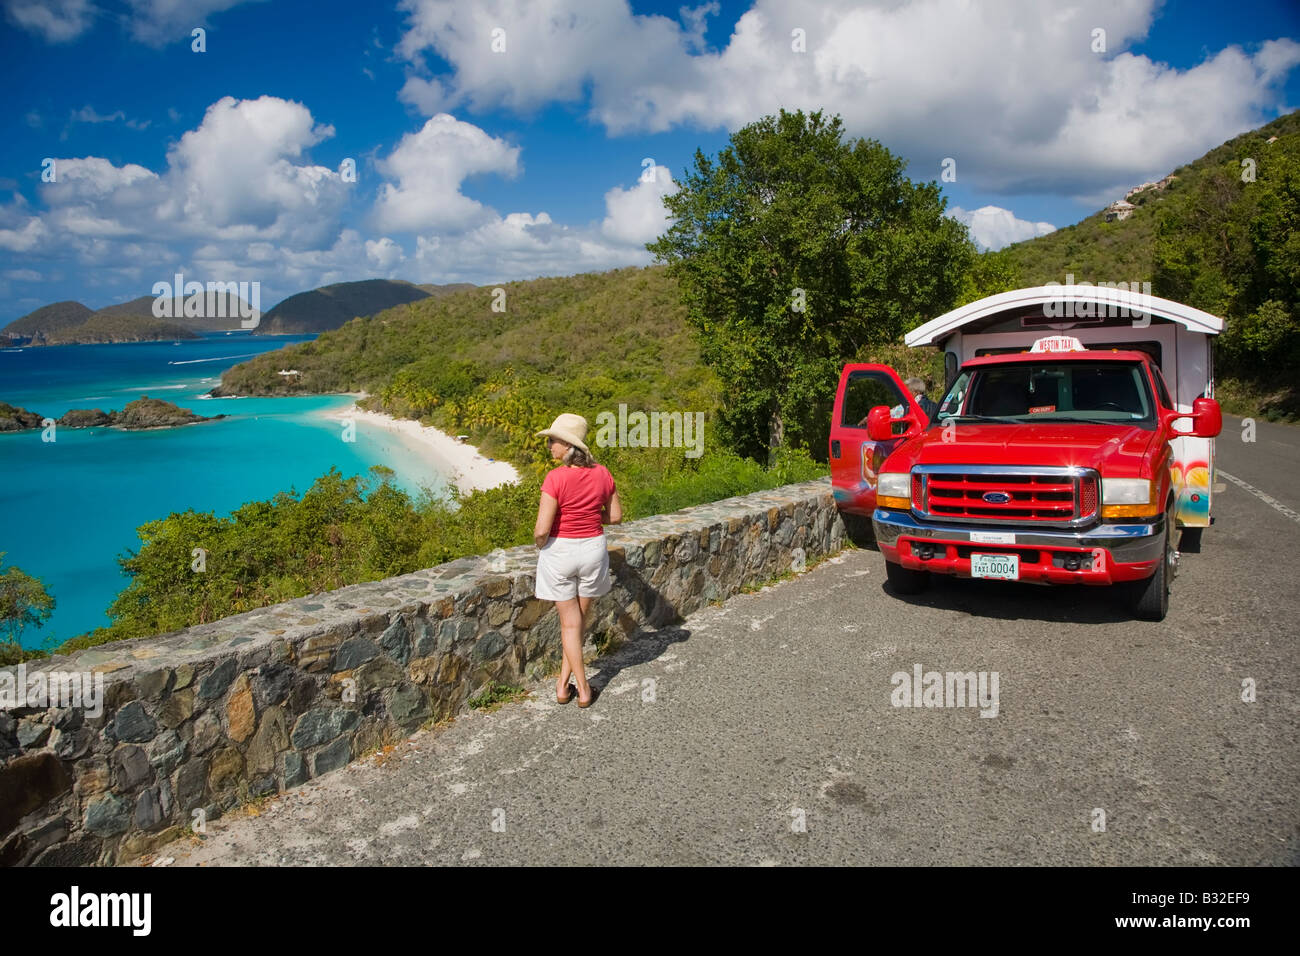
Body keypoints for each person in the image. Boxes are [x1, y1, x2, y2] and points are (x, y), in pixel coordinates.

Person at [533, 413, 622, 708]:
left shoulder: (555, 478)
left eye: (552, 441)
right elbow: (616, 516)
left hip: (561, 553)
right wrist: (588, 515)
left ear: (567, 446)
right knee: (577, 624)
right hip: (593, 550)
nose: (549, 446)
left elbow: (542, 529)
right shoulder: (603, 473)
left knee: (570, 626)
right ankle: (562, 684)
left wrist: (540, 545)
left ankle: (582, 689)